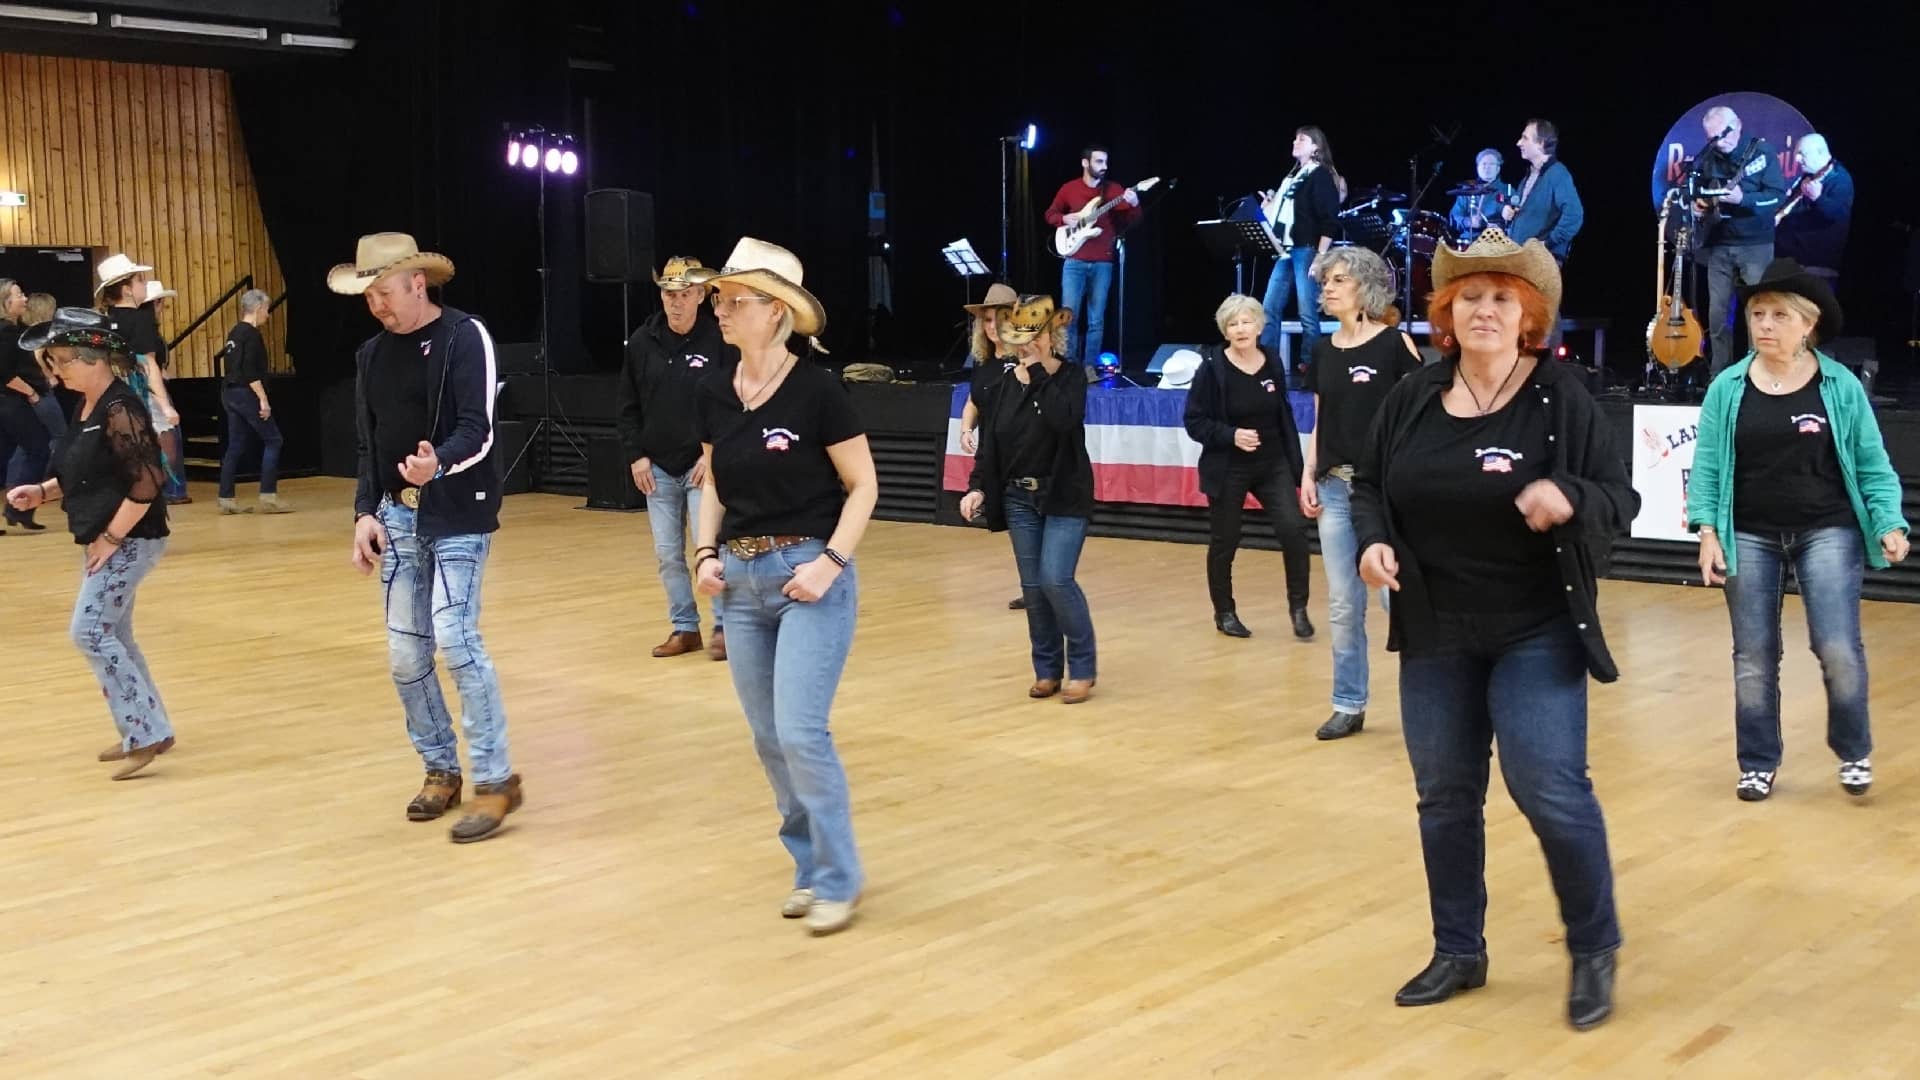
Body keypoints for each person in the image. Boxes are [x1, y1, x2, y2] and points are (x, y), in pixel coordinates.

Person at [1352, 228, 1636, 1031]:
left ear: (1528, 315)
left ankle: (1593, 945)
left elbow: (1621, 496)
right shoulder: (1412, 395)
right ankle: (1458, 950)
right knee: (1444, 797)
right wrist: (1373, 540)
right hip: (1435, 625)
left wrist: (1571, 498)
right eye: (1469, 297)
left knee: (1547, 785)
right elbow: (1369, 483)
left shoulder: (1558, 397)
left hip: (1535, 626)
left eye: (1501, 299)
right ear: (1447, 311)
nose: (1484, 309)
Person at [688, 238, 878, 936]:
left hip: (809, 575)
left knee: (801, 731)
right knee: (770, 739)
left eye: (734, 300)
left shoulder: (819, 391)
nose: (721, 310)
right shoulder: (712, 389)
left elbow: (864, 486)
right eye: (720, 298)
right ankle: (808, 867)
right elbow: (712, 482)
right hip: (740, 585)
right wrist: (704, 552)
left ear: (776, 314)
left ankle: (839, 877)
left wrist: (829, 562)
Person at [1686, 259, 1908, 802]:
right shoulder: (1727, 387)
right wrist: (1707, 531)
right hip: (1750, 533)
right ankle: (1758, 761)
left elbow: (1873, 463)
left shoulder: (1841, 386)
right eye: (1757, 314)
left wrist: (1889, 523)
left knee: (1836, 645)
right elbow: (1709, 465)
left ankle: (1853, 749)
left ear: (1807, 324)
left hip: (1827, 528)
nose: (1764, 324)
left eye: (1778, 315)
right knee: (1753, 655)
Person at [334, 232, 522, 844]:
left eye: (385, 292)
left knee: (455, 638)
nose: (378, 306)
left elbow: (481, 429)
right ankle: (440, 768)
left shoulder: (466, 337)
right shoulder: (370, 355)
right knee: (406, 655)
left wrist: (434, 463)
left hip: (459, 513)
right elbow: (368, 444)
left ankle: (495, 782)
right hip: (397, 517)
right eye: (369, 297)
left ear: (419, 283)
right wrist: (365, 512)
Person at [6, 308, 175, 779]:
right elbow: (84, 473)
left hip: (130, 537)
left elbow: (147, 481)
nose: (56, 372)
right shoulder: (87, 408)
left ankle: (143, 731)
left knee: (90, 631)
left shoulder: (120, 408)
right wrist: (42, 491)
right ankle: (151, 728)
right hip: (112, 537)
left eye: (62, 361)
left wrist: (110, 538)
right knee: (113, 631)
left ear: (93, 359)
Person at [1300, 245, 1423, 739]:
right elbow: (1320, 417)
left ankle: (1427, 703)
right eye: (1325, 281)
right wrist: (1309, 472)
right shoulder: (1323, 350)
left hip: (1387, 493)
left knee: (1399, 600)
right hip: (1334, 487)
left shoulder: (1397, 346)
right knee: (1343, 604)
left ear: (1364, 288)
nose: (1327, 288)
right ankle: (1348, 703)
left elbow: (1421, 420)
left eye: (1338, 280)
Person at [959, 295, 1099, 704]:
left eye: (1034, 334)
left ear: (1051, 335)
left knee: (1057, 579)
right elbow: (993, 443)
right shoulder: (1001, 382)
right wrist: (978, 486)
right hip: (1018, 496)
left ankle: (1084, 668)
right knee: (1034, 588)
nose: (1026, 344)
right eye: (1019, 335)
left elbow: (1063, 420)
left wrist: (1037, 372)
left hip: (1064, 494)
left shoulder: (1071, 377)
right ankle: (1047, 670)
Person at [1183, 293, 1314, 641]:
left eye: (1246, 322)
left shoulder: (1271, 360)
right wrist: (1230, 435)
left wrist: (1298, 468)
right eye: (1233, 323)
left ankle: (1299, 608)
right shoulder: (1212, 368)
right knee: (1226, 539)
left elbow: (1282, 414)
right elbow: (1194, 421)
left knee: (1293, 531)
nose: (1240, 329)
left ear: (1259, 325)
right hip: (1229, 466)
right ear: (1225, 331)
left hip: (1272, 463)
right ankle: (1224, 612)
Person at [617, 255, 729, 661]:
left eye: (683, 294)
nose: (675, 302)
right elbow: (628, 405)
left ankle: (723, 628)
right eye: (668, 294)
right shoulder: (642, 341)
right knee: (667, 554)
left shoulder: (722, 339)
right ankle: (685, 628)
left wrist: (713, 455)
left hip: (704, 466)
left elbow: (734, 402)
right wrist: (637, 456)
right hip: (657, 466)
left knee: (709, 547)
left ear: (701, 295)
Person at [1693, 106, 1786, 375]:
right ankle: (1719, 374)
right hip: (1720, 243)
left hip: (1755, 244)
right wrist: (1702, 205)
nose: (1721, 141)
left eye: (1724, 134)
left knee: (1758, 312)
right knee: (1717, 314)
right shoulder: (1709, 156)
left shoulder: (1761, 153)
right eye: (1714, 137)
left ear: (1739, 124)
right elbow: (1707, 191)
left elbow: (1776, 197)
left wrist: (1743, 199)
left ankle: (1758, 371)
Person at [955, 281, 1028, 612]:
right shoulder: (984, 362)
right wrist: (965, 425)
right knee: (1015, 523)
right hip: (996, 454)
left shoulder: (1027, 359)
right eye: (986, 320)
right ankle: (1032, 588)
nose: (993, 327)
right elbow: (975, 399)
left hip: (1028, 454)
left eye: (1000, 318)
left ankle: (1042, 588)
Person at [96, 255, 187, 505]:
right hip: (138, 394)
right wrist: (165, 405)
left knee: (121, 451)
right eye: (140, 280)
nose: (144, 285)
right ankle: (147, 501)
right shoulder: (140, 320)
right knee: (163, 444)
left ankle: (125, 502)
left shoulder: (103, 320)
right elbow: (148, 365)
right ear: (126, 289)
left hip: (109, 394)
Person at [1258, 127, 1344, 382]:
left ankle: (1310, 363)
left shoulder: (1319, 175)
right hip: (1286, 249)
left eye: (1302, 139)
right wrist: (1269, 207)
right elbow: (1284, 217)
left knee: (1307, 310)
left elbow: (1330, 219)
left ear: (1316, 147)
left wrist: (1320, 256)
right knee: (1269, 307)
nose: (1295, 142)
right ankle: (1267, 361)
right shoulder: (1293, 177)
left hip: (1306, 248)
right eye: (1295, 137)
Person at [1044, 145, 1140, 365]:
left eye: (1106, 162)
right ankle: (1068, 366)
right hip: (1074, 260)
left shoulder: (1114, 190)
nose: (1104, 166)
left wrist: (1134, 205)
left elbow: (1132, 222)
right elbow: (1050, 213)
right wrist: (1064, 219)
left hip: (1102, 262)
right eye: (1099, 162)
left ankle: (1089, 369)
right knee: (1068, 317)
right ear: (1085, 163)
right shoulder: (1069, 189)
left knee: (1096, 320)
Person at [217, 289, 291, 514]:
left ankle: (226, 497)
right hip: (246, 393)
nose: (267, 316)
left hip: (229, 393)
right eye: (266, 310)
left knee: (236, 445)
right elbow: (250, 372)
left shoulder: (234, 333)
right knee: (273, 440)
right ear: (258, 309)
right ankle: (268, 495)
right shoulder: (251, 334)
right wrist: (263, 400)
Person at [1, 277, 53, 533]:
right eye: (19, 294)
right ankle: (18, 506)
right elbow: (4, 374)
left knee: (3, 456)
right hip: (9, 401)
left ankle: (17, 508)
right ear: (5, 302)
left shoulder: (12, 329)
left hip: (9, 401)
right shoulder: (5, 332)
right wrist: (31, 392)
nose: (24, 298)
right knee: (39, 448)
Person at [1773, 134, 1852, 285]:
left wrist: (1818, 198)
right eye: (1796, 154)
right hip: (1790, 260)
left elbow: (1838, 216)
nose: (1797, 159)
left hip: (1814, 266)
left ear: (1820, 153)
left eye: (1802, 154)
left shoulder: (1840, 179)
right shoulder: (1809, 176)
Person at [1501, 120, 1583, 265]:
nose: (1518, 143)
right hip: (1522, 257)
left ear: (1541, 143)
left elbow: (1574, 215)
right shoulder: (1530, 175)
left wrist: (1547, 244)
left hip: (1541, 262)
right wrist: (1511, 212)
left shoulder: (1558, 174)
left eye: (1525, 138)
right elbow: (1525, 210)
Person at [1448, 149, 1513, 245]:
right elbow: (1454, 216)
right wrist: (1469, 222)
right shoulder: (1467, 190)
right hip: (1468, 243)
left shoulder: (1508, 190)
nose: (1487, 168)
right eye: (1484, 164)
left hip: (1496, 244)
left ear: (1498, 169)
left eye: (1491, 164)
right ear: (1477, 167)